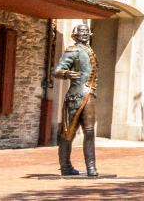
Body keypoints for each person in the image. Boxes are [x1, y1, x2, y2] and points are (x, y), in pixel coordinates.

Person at [55, 24, 98, 177]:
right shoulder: (72, 51)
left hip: (89, 94)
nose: (84, 34)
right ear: (75, 34)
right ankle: (65, 166)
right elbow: (57, 71)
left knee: (90, 131)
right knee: (68, 132)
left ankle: (91, 168)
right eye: (81, 31)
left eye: (86, 31)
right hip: (75, 95)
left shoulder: (90, 50)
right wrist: (67, 73)